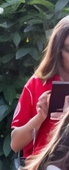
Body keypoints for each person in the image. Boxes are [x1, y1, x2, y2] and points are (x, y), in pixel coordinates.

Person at [11, 15, 69, 162]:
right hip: (45, 169)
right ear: (58, 49)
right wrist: (40, 117)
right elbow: (15, 143)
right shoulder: (38, 84)